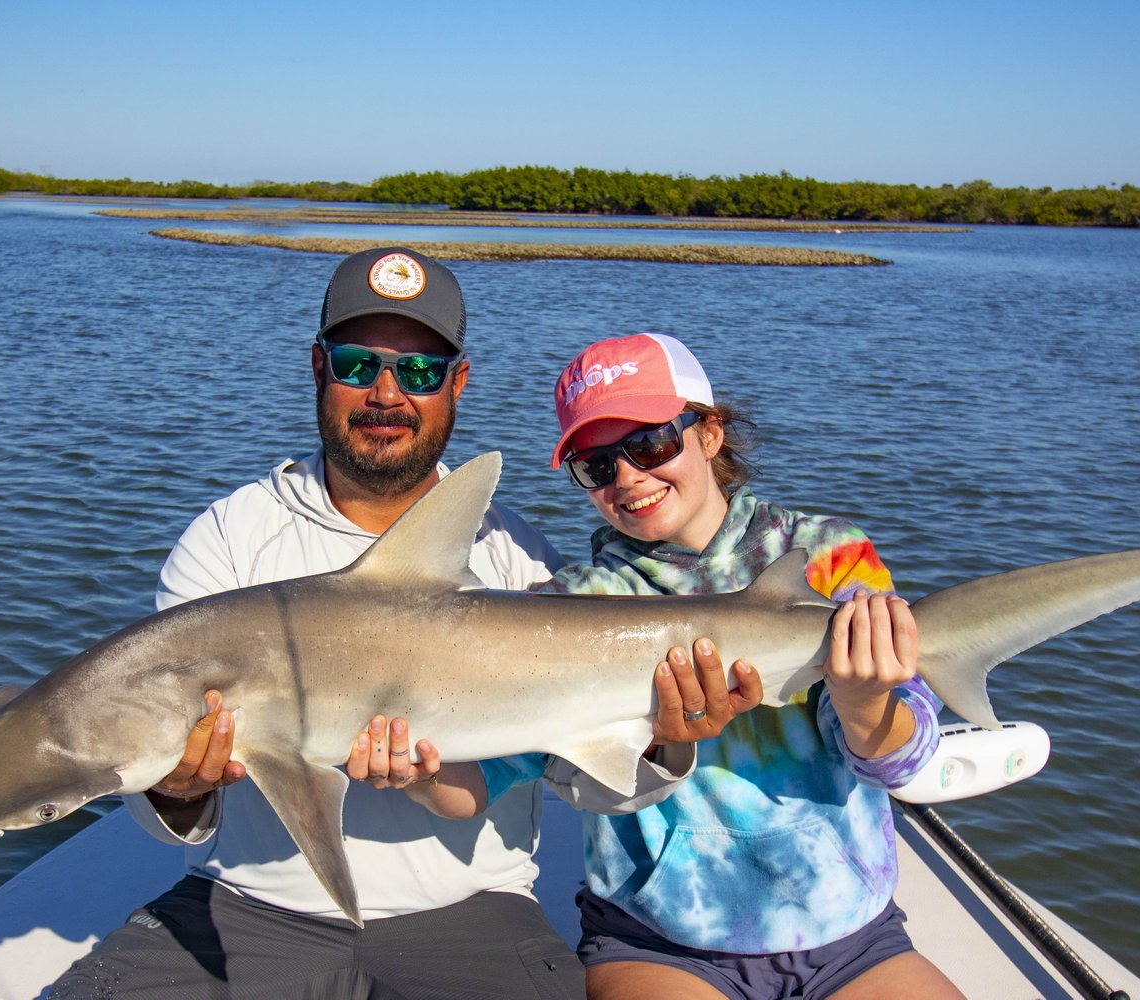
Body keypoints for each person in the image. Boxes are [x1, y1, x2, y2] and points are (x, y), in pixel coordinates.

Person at [49, 249, 758, 1000]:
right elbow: (166, 795)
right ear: (318, 368)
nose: (386, 393)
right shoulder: (228, 543)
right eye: (359, 365)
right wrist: (179, 791)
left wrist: (667, 736)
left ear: (458, 383)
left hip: (471, 911)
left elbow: (586, 783)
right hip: (254, 905)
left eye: (419, 372)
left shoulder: (515, 558)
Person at [513, 333, 964, 1000]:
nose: (630, 477)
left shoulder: (829, 559)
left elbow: (904, 762)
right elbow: (563, 777)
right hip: (657, 940)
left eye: (651, 442)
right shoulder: (570, 609)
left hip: (852, 935)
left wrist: (866, 702)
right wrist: (663, 744)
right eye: (597, 464)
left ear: (711, 432)